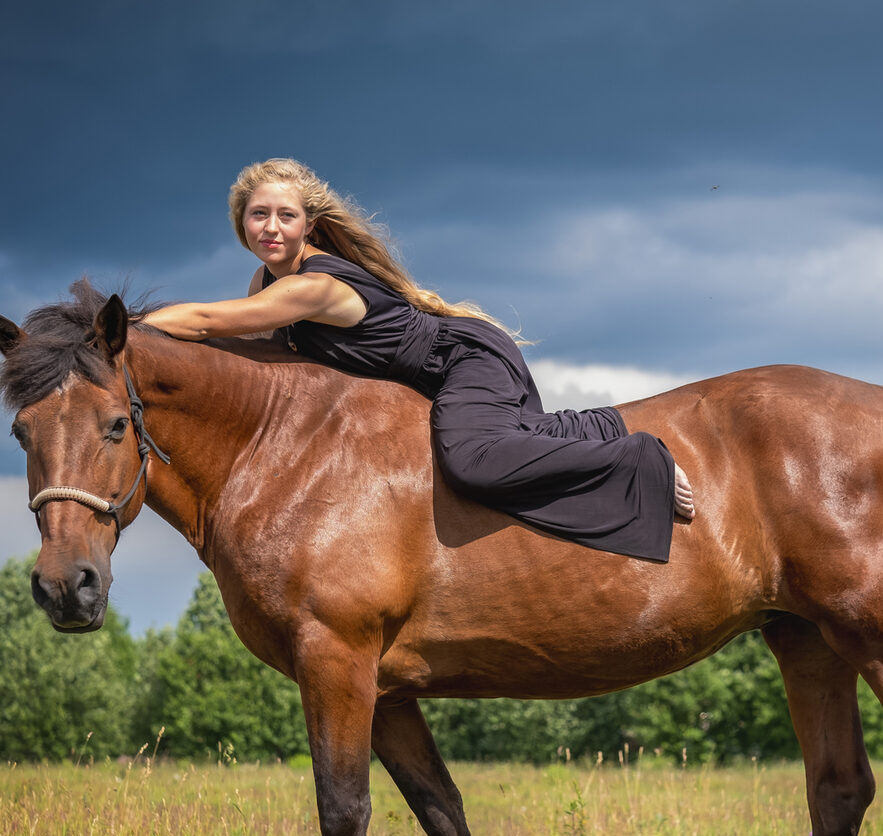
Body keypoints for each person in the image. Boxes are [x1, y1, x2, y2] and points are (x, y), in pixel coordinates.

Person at [142, 159, 692, 562]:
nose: (271, 228)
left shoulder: (312, 286)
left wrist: (125, 334)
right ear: (242, 223)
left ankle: (638, 458)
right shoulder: (269, 280)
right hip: (439, 370)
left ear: (308, 225)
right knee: (498, 441)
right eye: (258, 215)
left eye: (286, 216)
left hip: (465, 361)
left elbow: (209, 322)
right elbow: (257, 355)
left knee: (471, 460)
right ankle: (592, 429)